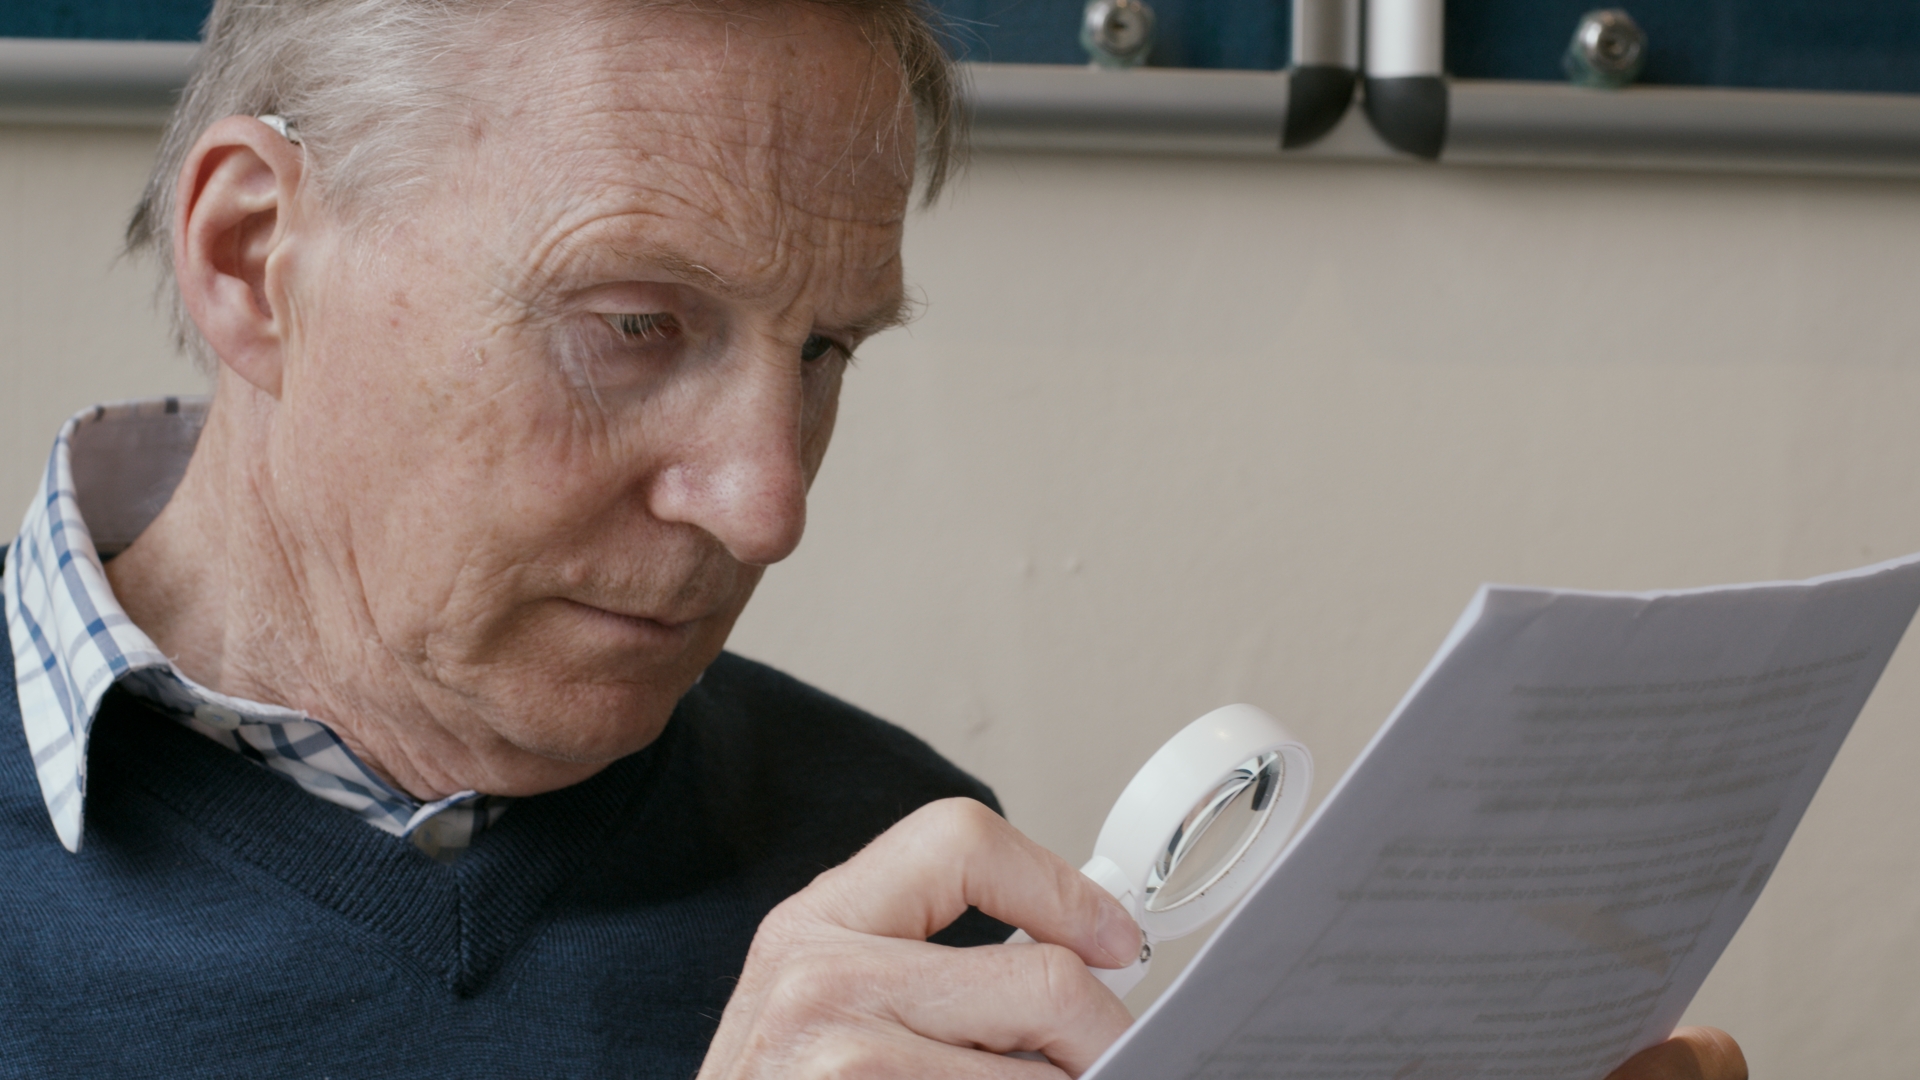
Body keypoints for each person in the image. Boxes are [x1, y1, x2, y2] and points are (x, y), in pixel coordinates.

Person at [0, 0, 1747, 1076]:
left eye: (825, 351)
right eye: (632, 324)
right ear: (251, 261)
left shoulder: (893, 861)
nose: (770, 503)